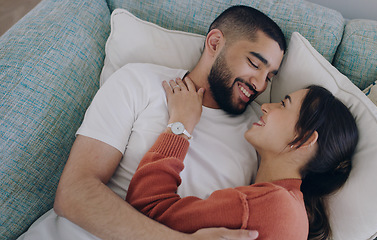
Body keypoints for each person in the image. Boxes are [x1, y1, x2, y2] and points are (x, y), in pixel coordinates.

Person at [18, 5, 286, 240]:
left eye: (270, 77)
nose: (260, 84)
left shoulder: (257, 134)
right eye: (254, 63)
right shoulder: (139, 82)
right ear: (215, 43)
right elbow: (74, 193)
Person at [126, 79, 359, 240]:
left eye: (283, 104)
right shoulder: (292, 212)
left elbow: (145, 209)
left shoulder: (272, 205)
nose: (265, 107)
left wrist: (181, 124)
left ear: (305, 139)